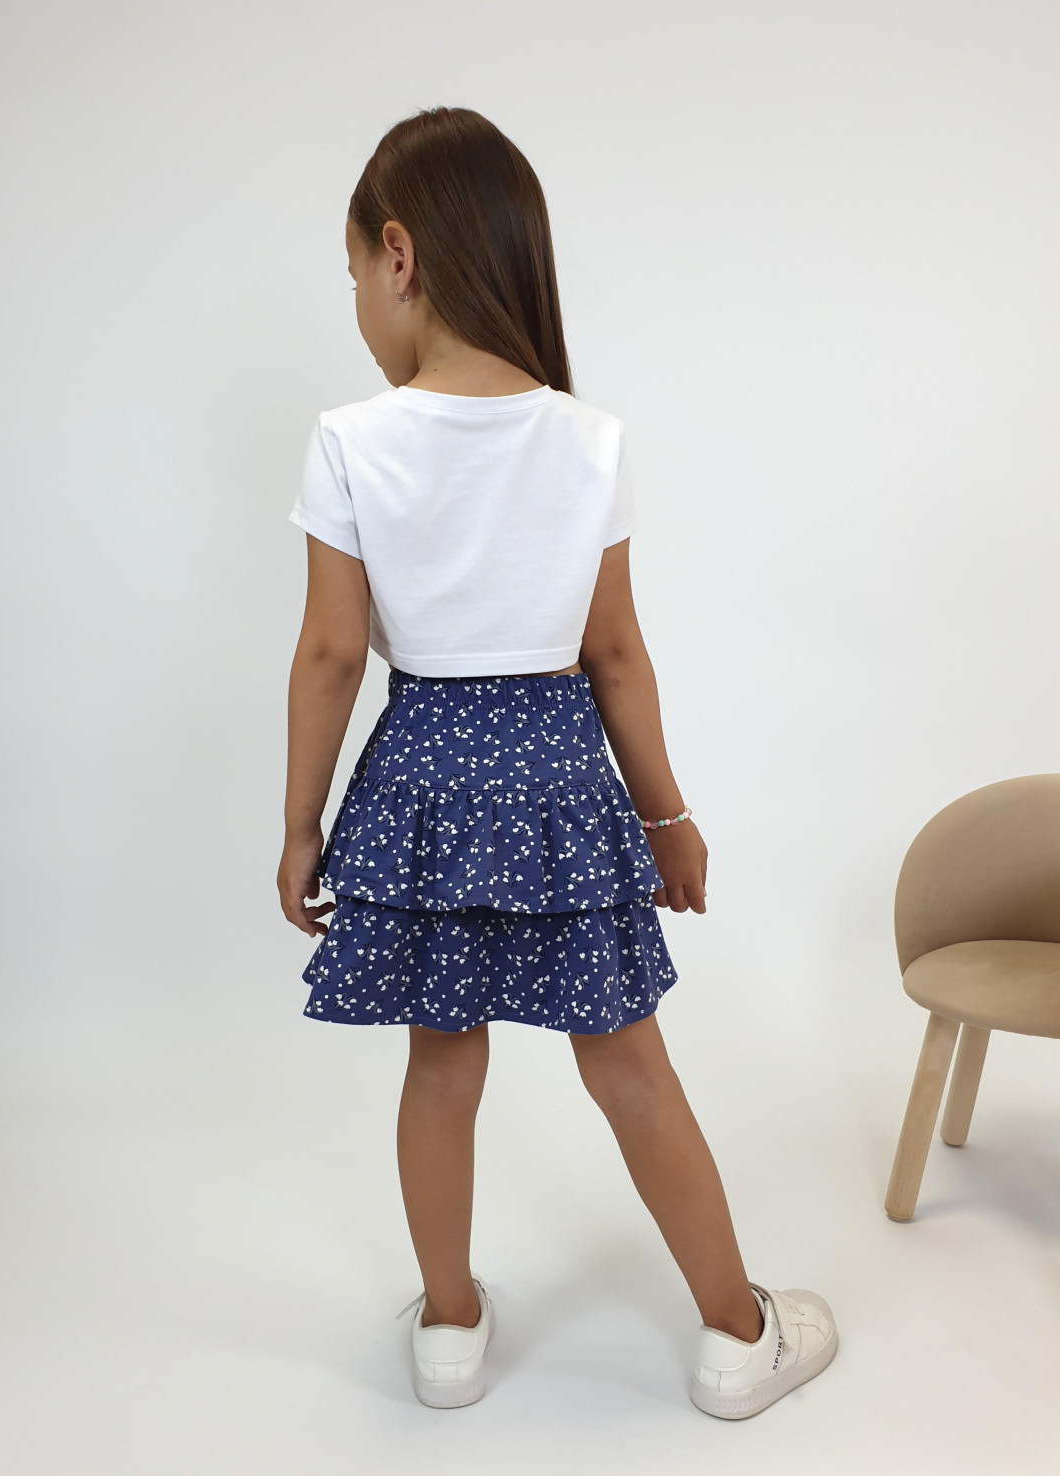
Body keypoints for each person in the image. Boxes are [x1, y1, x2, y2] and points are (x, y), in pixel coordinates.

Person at [277, 105, 837, 1420]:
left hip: (420, 782)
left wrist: (301, 828)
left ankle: (450, 1331)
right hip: (558, 789)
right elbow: (616, 656)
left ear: (399, 255)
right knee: (628, 1062)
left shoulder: (351, 440)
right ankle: (736, 1332)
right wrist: (668, 820)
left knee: (441, 1063)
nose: (356, 302)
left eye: (352, 270)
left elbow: (331, 654)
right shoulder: (589, 441)